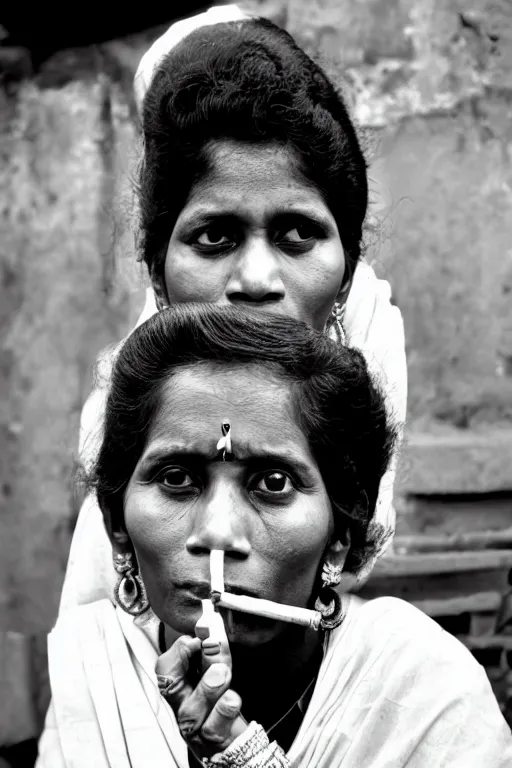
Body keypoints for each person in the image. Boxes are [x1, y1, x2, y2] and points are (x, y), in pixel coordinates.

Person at [38, 305, 512, 767]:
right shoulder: (97, 678)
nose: (217, 533)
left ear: (340, 536)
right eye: (177, 478)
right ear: (117, 528)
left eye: (273, 483)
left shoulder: (422, 694)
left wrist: (244, 759)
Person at [59, 5, 407, 613]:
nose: (256, 281)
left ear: (348, 268)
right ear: (158, 272)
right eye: (215, 237)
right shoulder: (125, 415)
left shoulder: (370, 354)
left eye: (298, 233)